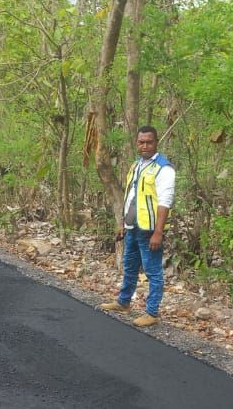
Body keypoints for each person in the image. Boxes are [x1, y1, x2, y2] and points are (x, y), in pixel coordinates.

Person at [99, 125, 176, 327]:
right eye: (141, 142)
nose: (144, 146)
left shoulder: (163, 168)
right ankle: (124, 302)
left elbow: (165, 201)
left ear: (156, 142)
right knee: (130, 266)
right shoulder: (137, 165)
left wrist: (158, 232)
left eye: (148, 142)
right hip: (133, 226)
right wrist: (123, 223)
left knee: (152, 271)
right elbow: (132, 196)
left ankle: (151, 313)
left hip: (150, 229)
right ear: (137, 143)